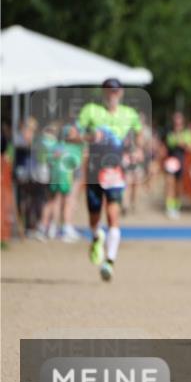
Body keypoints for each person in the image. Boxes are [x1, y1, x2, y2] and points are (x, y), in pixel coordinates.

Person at [76, 78, 144, 281]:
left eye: (115, 91)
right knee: (94, 218)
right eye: (108, 91)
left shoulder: (129, 114)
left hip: (115, 170)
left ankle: (110, 262)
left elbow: (139, 134)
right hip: (94, 170)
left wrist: (138, 149)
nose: (111, 95)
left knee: (113, 214)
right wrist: (89, 135)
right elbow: (74, 132)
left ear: (121, 93)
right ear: (102, 92)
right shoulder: (91, 111)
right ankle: (97, 236)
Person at [162, 112, 191, 219]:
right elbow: (165, 146)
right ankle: (169, 207)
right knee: (169, 183)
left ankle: (177, 206)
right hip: (171, 161)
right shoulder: (169, 132)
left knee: (178, 186)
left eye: (179, 120)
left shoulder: (187, 133)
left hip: (181, 161)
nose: (177, 122)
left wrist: (183, 143)